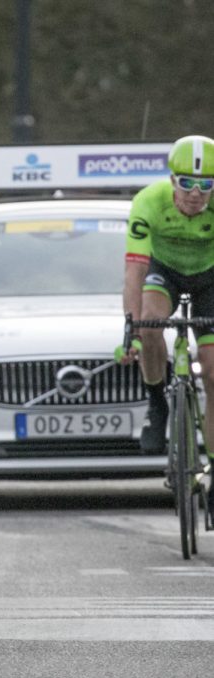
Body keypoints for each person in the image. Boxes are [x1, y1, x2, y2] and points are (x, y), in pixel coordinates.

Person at [119, 135, 214, 465]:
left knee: (213, 370)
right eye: (186, 183)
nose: (195, 194)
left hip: (210, 278)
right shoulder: (149, 201)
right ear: (172, 180)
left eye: (206, 185)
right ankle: (156, 400)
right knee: (149, 324)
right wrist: (130, 329)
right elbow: (135, 269)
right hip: (165, 273)